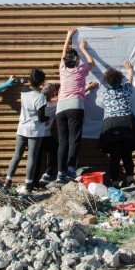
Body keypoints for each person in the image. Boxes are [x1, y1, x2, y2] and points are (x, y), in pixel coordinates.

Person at [56, 28, 97, 182]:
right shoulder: (80, 70)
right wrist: (83, 49)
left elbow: (63, 54)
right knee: (74, 139)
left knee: (63, 141)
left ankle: (60, 173)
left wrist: (67, 36)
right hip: (75, 106)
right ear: (77, 61)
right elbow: (91, 62)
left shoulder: (62, 68)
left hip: (61, 108)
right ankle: (71, 169)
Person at [5, 69, 52, 193]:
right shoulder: (41, 98)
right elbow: (41, 118)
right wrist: (48, 118)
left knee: (16, 156)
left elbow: (27, 85)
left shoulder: (24, 91)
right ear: (42, 82)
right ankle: (28, 185)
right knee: (32, 158)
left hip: (21, 129)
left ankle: (8, 181)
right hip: (34, 131)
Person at [98, 61, 135, 186]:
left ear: (108, 82)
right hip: (127, 122)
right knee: (127, 154)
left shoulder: (105, 93)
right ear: (120, 80)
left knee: (114, 156)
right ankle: (130, 179)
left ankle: (115, 182)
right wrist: (129, 69)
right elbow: (130, 79)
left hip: (111, 125)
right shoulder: (126, 89)